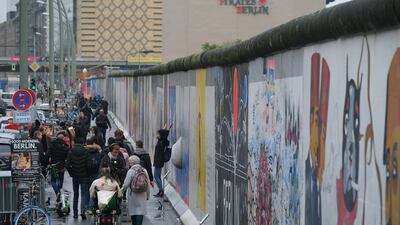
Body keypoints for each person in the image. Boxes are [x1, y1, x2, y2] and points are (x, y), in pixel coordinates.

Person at [65, 137, 90, 220]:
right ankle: (83, 212)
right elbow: (88, 164)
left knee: (75, 194)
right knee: (84, 194)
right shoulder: (86, 151)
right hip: (84, 175)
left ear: (75, 142)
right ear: (83, 143)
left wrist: (71, 173)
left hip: (75, 176)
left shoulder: (71, 151)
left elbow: (68, 165)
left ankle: (75, 214)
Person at [122, 156, 150, 225]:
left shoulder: (131, 171)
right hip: (143, 194)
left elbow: (126, 184)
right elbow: (148, 184)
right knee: (140, 212)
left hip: (133, 195)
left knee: (134, 212)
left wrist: (121, 192)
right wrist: (148, 195)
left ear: (132, 163)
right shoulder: (144, 170)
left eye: (129, 162)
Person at [153, 128, 170, 197]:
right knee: (158, 176)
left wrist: (167, 130)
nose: (157, 135)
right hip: (158, 161)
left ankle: (161, 190)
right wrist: (165, 128)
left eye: (158, 134)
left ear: (161, 135)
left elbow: (165, 135)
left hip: (158, 161)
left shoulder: (162, 142)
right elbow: (164, 135)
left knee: (156, 176)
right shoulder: (161, 141)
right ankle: (160, 191)